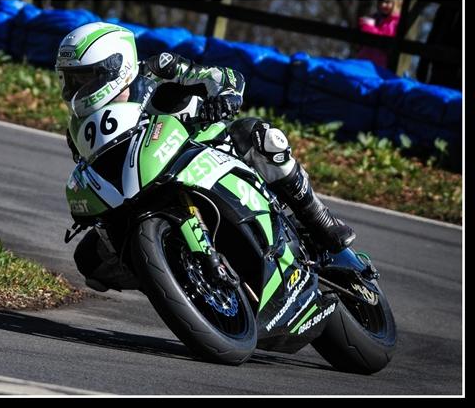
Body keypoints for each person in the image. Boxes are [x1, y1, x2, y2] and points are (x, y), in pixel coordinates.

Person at [55, 22, 356, 291]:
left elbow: (224, 77)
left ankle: (318, 218)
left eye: (84, 78)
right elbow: (91, 168)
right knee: (90, 262)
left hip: (202, 147)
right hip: (142, 182)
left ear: (115, 66)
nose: (77, 89)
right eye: (70, 81)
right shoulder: (79, 127)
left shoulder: (159, 70)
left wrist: (224, 99)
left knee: (259, 135)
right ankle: (174, 278)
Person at [355, 0, 401, 68]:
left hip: (379, 64)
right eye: (380, 1)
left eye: (387, 2)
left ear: (396, 3)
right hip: (364, 58)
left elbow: (386, 39)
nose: (383, 5)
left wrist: (369, 28)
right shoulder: (375, 17)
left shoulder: (395, 21)